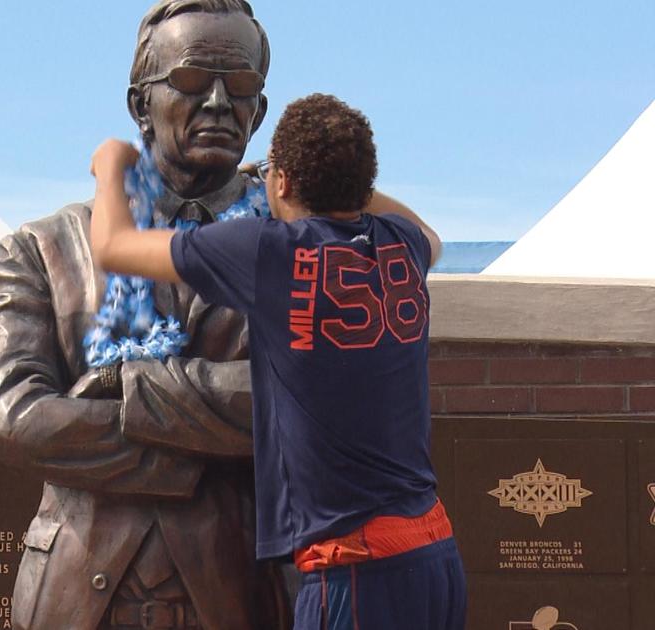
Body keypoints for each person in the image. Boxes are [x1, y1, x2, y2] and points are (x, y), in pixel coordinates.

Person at [90, 93, 466, 628]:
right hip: (434, 555)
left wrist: (109, 166)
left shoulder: (269, 252)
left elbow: (112, 246)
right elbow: (431, 233)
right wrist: (345, 182)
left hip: (354, 575)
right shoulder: (402, 244)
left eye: (272, 172)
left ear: (283, 182)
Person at [0, 1, 291, 628]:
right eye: (195, 81)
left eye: (244, 86)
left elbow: (297, 404)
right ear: (140, 104)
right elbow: (9, 419)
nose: (221, 104)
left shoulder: (299, 251)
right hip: (74, 598)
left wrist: (130, 389)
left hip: (241, 594)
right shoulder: (45, 248)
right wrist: (197, 458)